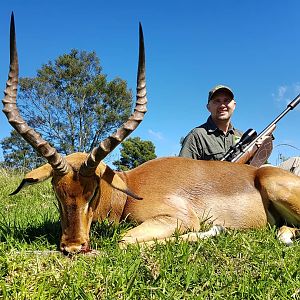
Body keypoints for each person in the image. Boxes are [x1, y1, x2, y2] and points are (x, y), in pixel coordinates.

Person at [179, 84, 243, 161]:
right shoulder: (197, 136)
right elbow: (184, 169)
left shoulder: (242, 136)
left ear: (234, 105)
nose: (222, 105)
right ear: (208, 107)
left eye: (226, 100)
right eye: (217, 101)